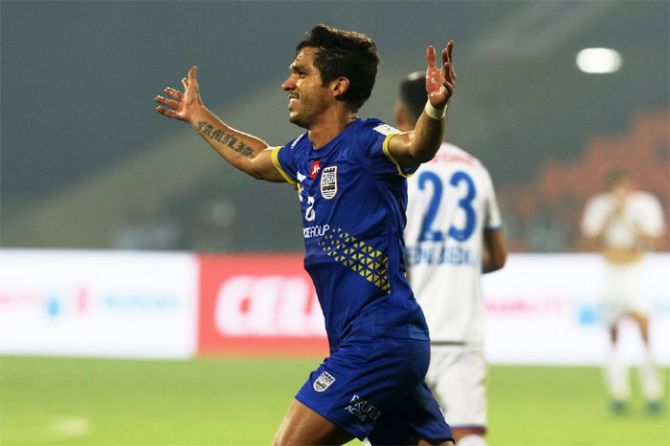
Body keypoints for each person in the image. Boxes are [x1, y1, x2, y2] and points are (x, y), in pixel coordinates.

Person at [155, 24, 457, 445]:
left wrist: (435, 109)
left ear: (338, 85)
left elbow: (416, 147)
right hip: (375, 342)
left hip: (378, 340)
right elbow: (256, 157)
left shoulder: (368, 142)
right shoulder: (303, 156)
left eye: (300, 72)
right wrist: (197, 114)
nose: (287, 83)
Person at [396, 72, 507, 446]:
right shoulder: (475, 169)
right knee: (468, 435)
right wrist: (452, 264)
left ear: (400, 114)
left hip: (407, 332)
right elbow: (498, 256)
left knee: (399, 435)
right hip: (462, 330)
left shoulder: (398, 171)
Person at [581, 167, 665, 414]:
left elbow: (655, 238)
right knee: (613, 333)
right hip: (611, 271)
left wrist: (629, 220)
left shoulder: (644, 204)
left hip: (635, 271)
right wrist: (611, 218)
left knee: (644, 329)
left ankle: (652, 390)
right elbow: (589, 239)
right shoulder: (599, 206)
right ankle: (618, 391)